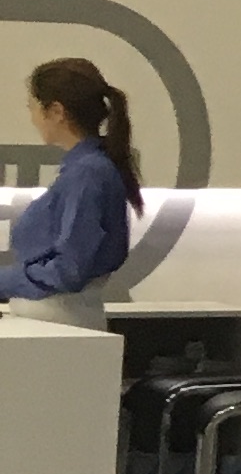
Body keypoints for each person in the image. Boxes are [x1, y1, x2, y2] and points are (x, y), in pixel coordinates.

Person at [7, 57, 141, 332]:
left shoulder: (86, 174)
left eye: (33, 107)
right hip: (59, 323)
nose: (32, 118)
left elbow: (69, 269)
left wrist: (5, 281)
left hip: (56, 325)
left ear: (56, 111)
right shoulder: (90, 169)